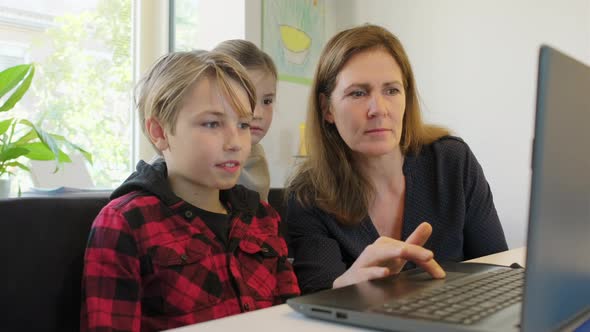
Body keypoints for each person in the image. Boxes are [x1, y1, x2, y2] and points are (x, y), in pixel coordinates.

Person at [80, 51, 299, 332]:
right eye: (212, 123)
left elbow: (291, 319)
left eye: (243, 124)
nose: (235, 142)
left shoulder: (263, 218)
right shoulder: (125, 223)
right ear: (159, 131)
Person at [286, 24, 508, 295]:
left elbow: (497, 270)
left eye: (391, 90)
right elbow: (317, 297)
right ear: (327, 108)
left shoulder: (452, 162)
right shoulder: (308, 196)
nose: (379, 109)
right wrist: (348, 286)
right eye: (358, 93)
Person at [214, 40, 277, 202]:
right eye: (246, 99)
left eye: (267, 101)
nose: (257, 113)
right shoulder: (190, 157)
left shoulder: (256, 156)